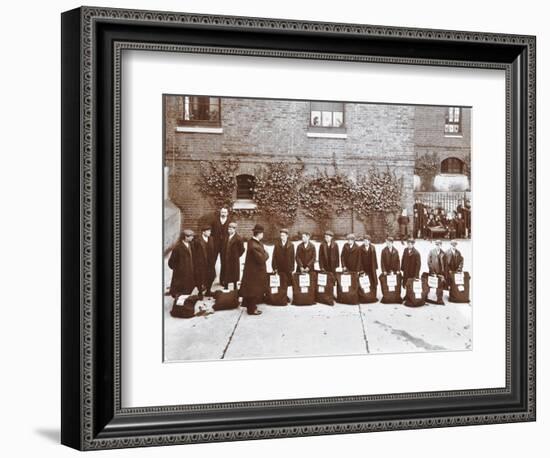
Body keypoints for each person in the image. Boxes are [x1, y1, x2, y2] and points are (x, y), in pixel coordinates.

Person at [239, 224, 269, 315]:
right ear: (259, 234)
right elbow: (262, 259)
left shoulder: (252, 242)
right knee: (253, 291)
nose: (263, 235)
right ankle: (252, 309)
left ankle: (250, 307)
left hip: (252, 271)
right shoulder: (254, 245)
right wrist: (267, 254)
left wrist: (264, 253)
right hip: (254, 272)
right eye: (262, 233)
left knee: (251, 290)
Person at [168, 229, 196, 297]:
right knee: (180, 293)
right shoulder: (177, 248)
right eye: (191, 236)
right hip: (181, 275)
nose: (193, 237)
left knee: (188, 291)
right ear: (186, 237)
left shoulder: (191, 245)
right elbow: (171, 262)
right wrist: (178, 269)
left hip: (189, 273)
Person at [220, 222, 245, 290]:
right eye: (229, 229)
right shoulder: (226, 237)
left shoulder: (238, 238)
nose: (229, 231)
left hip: (234, 258)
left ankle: (235, 285)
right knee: (226, 271)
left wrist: (237, 255)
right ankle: (226, 285)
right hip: (226, 258)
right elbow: (223, 247)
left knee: (234, 272)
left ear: (235, 230)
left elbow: (242, 249)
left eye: (231, 229)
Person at [193, 225, 216, 298]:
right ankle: (200, 292)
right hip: (201, 262)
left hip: (210, 262)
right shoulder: (197, 241)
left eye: (210, 231)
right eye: (208, 231)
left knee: (211, 276)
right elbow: (194, 252)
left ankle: (208, 291)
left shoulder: (211, 239)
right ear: (203, 232)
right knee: (200, 277)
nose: (210, 232)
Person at [211, 207, 232, 278]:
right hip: (215, 244)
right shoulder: (214, 221)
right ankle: (211, 277)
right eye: (222, 212)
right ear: (220, 213)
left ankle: (223, 279)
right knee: (212, 261)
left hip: (225, 245)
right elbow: (212, 233)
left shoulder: (230, 222)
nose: (223, 214)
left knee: (224, 262)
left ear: (227, 213)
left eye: (225, 212)